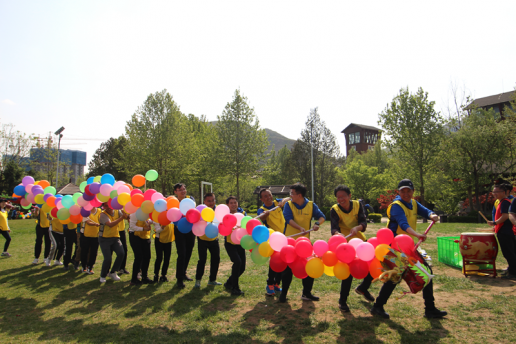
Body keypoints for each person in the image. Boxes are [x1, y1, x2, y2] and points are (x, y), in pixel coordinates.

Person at [370, 179, 446, 319]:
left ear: (413, 192)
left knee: (426, 272)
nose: (406, 194)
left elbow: (426, 211)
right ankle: (377, 306)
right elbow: (403, 224)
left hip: (408, 246)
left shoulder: (414, 203)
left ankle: (430, 308)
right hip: (394, 247)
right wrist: (417, 235)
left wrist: (432, 215)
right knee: (395, 276)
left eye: (408, 191)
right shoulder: (396, 206)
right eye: (402, 191)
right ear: (398, 192)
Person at [279, 183, 326, 303]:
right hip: (290, 242)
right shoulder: (288, 205)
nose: (290, 196)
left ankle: (306, 293)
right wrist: (300, 228)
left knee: (309, 266)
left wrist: (317, 224)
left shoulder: (311, 205)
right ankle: (283, 294)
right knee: (288, 269)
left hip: (305, 244)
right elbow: (288, 219)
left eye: (292, 193)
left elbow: (322, 217)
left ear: (299, 195)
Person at [330, 185, 374, 312]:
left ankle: (363, 288)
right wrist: (338, 234)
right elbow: (334, 228)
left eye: (343, 196)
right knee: (347, 273)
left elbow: (363, 223)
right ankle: (342, 301)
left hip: (360, 240)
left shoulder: (358, 205)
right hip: (345, 245)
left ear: (349, 196)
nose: (341, 199)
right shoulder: (334, 209)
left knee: (371, 266)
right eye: (338, 197)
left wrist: (357, 228)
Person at [256, 189, 290, 296]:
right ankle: (269, 283)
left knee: (282, 260)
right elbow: (261, 217)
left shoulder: (276, 203)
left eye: (269, 195)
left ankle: (276, 283)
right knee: (275, 261)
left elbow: (289, 198)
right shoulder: (262, 209)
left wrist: (282, 202)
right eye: (265, 196)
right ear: (261, 199)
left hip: (284, 236)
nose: (268, 197)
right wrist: (265, 215)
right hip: (273, 239)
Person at [195, 193, 222, 288]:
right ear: (204, 202)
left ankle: (212, 280)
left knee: (216, 259)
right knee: (202, 260)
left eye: (213, 200)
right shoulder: (200, 210)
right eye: (209, 201)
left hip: (214, 239)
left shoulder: (218, 210)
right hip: (202, 239)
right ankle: (198, 280)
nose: (211, 203)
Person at [98, 203, 128, 283]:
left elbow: (126, 217)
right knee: (108, 258)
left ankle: (113, 272)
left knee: (121, 253)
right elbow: (110, 224)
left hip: (115, 237)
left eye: (109, 205)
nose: (108, 207)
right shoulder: (102, 215)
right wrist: (122, 217)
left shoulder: (117, 211)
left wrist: (126, 214)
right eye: (106, 206)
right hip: (104, 239)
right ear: (103, 207)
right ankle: (103, 275)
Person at [173, 183, 196, 288]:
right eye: (180, 190)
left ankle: (184, 273)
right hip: (179, 230)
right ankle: (179, 279)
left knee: (188, 252)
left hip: (190, 229)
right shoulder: (173, 202)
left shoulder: (190, 199)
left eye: (184, 189)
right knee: (181, 254)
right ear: (175, 192)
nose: (183, 191)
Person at [224, 196, 247, 296]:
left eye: (235, 202)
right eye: (231, 203)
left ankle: (229, 282)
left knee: (242, 267)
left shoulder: (242, 213)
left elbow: (247, 224)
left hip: (240, 243)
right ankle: (235, 288)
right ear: (227, 205)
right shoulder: (225, 215)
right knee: (237, 262)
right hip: (230, 243)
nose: (233, 204)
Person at [493, 182, 516, 279]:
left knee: (509, 252)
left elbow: (505, 216)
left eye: (496, 192)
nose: (494, 194)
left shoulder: (505, 202)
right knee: (509, 251)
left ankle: (513, 273)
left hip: (506, 231)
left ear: (503, 192)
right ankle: (511, 270)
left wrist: (495, 223)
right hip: (503, 230)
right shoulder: (501, 202)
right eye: (493, 192)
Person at [128, 213, 153, 285]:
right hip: (135, 236)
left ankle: (145, 277)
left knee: (147, 256)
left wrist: (150, 221)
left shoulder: (148, 211)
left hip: (145, 235)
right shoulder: (134, 213)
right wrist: (143, 228)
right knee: (139, 257)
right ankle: (134, 279)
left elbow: (150, 219)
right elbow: (132, 226)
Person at [81, 207, 101, 274]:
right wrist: (95, 224)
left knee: (94, 252)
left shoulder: (99, 211)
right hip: (86, 235)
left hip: (96, 235)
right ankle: (84, 266)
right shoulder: (85, 211)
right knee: (84, 251)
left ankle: (90, 267)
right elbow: (88, 222)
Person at [116, 208, 130, 275]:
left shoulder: (121, 209)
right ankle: (107, 270)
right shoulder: (111, 209)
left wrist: (124, 212)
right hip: (113, 231)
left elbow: (127, 217)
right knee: (110, 251)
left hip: (121, 230)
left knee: (124, 249)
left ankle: (122, 268)